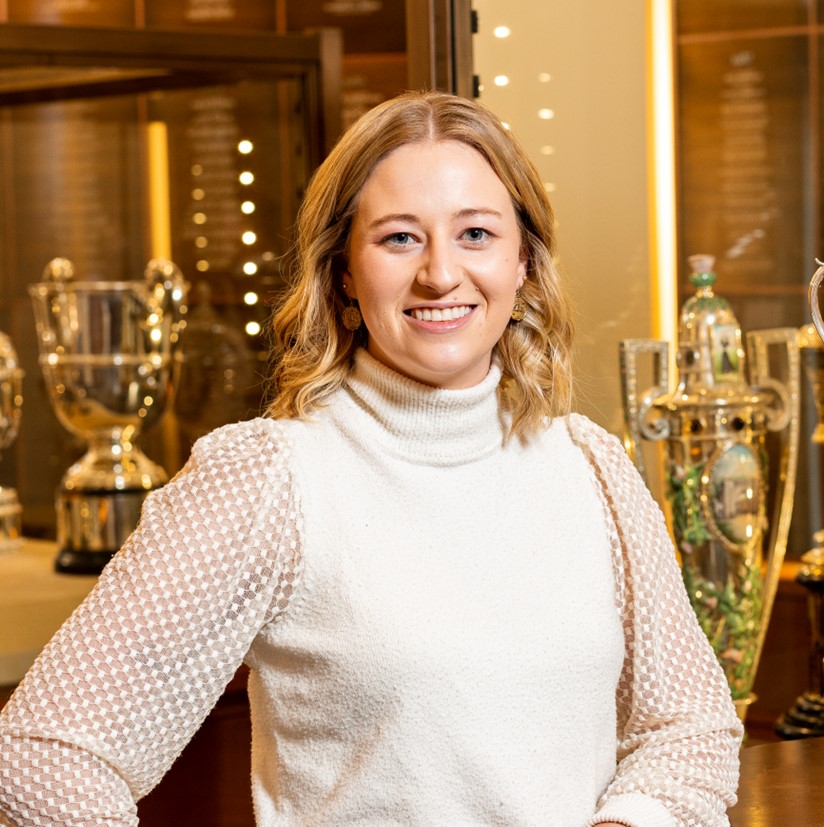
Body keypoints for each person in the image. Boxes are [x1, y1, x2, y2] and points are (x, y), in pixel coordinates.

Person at [0, 90, 741, 826]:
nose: (440, 273)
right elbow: (39, 757)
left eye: (476, 233)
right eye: (399, 238)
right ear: (343, 273)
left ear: (523, 261)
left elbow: (689, 729)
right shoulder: (268, 479)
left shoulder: (592, 467)